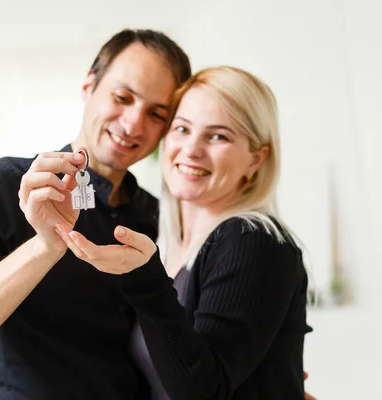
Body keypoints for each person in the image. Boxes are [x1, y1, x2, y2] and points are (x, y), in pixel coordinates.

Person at [0, 28, 192, 400]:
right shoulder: (4, 185)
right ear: (88, 87)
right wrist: (44, 246)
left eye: (156, 113)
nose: (133, 124)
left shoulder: (158, 217)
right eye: (123, 97)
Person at [56, 66, 314, 399]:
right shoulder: (171, 244)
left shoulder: (252, 240)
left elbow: (202, 390)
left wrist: (142, 276)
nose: (191, 150)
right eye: (182, 129)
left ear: (255, 159)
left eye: (218, 135)